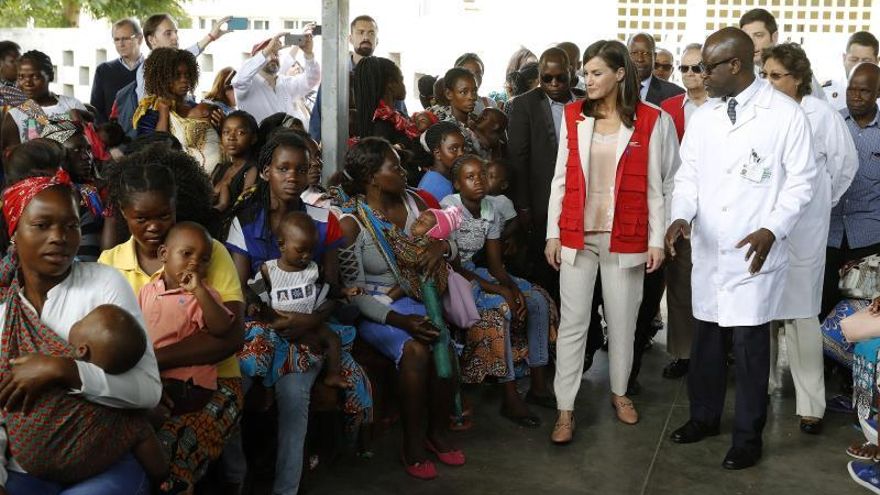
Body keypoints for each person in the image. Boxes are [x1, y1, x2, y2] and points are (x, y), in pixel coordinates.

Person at [666, 27, 816, 470]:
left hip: (755, 252)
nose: (701, 76)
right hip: (710, 249)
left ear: (736, 65)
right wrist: (681, 214)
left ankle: (748, 437)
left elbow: (803, 181)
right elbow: (688, 176)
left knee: (751, 347)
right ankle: (704, 418)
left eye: (709, 66)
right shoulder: (705, 116)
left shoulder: (785, 114)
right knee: (707, 341)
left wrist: (773, 228)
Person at [221, 131, 371, 494]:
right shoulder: (246, 220)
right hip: (262, 325)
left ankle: (286, 488)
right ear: (266, 171)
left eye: (300, 170)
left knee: (294, 395)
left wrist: (309, 321)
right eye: (283, 168)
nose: (292, 176)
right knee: (229, 390)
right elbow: (241, 291)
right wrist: (273, 320)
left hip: (311, 327)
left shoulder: (323, 219)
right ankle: (235, 475)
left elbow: (334, 290)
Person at [0, 170, 163, 494]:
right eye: (43, 225)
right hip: (25, 468)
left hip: (103, 460)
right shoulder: (6, 317)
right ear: (15, 234)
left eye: (71, 225)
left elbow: (147, 391)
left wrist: (65, 370)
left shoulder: (104, 284)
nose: (59, 236)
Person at [546, 39, 671, 444]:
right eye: (586, 72)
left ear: (620, 74)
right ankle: (565, 408)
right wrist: (553, 233)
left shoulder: (652, 120)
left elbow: (662, 185)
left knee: (623, 322)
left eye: (597, 72)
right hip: (577, 237)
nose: (588, 79)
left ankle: (619, 393)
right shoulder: (573, 115)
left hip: (628, 238)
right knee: (573, 325)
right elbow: (560, 179)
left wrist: (657, 240)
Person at [99, 151, 245, 493]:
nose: (154, 227)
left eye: (164, 215)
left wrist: (152, 361)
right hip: (138, 388)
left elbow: (229, 338)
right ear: (123, 214)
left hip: (213, 383)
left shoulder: (206, 252)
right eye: (141, 218)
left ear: (176, 207)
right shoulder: (109, 263)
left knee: (170, 460)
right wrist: (145, 384)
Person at [335, 137, 462, 480]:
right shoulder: (352, 224)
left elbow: (452, 242)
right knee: (415, 351)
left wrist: (442, 249)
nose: (404, 172)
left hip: (418, 299)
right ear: (372, 178)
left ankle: (437, 432)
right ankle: (413, 443)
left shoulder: (416, 203)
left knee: (442, 344)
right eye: (395, 167)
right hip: (379, 309)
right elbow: (355, 295)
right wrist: (401, 320)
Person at [761, 43, 858, 435]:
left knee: (801, 314)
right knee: (762, 310)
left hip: (806, 230)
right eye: (764, 75)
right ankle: (763, 387)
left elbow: (844, 164)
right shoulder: (763, 113)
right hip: (767, 226)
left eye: (776, 76)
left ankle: (810, 405)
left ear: (799, 77)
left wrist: (820, 202)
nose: (768, 83)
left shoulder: (819, 114)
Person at [443, 155, 556, 421]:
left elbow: (495, 265)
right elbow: (456, 267)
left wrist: (512, 288)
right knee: (500, 309)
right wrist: (502, 293)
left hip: (478, 272)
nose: (479, 181)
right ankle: (510, 395)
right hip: (453, 278)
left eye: (482, 174)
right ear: (457, 184)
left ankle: (538, 386)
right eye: (470, 177)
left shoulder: (490, 209)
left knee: (536, 299)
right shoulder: (450, 208)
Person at [625, 32, 684, 395]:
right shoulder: (598, 107)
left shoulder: (667, 103)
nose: (642, 58)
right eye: (635, 53)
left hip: (652, 218)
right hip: (613, 226)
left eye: (648, 53)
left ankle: (628, 372)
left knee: (646, 299)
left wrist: (662, 226)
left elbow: (671, 175)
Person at [139, 221, 235, 416]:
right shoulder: (147, 291)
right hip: (156, 374)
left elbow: (222, 329)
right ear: (163, 254)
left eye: (204, 259)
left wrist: (199, 291)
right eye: (187, 253)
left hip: (189, 383)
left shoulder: (205, 296)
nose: (195, 262)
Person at [509, 47, 576, 305]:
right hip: (541, 203)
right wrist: (523, 206)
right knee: (546, 267)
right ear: (539, 76)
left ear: (571, 73)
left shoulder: (585, 102)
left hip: (580, 199)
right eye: (547, 78)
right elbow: (518, 159)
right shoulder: (524, 105)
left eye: (561, 77)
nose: (555, 83)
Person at [658, 43, 709, 379]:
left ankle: (720, 351)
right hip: (679, 209)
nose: (690, 74)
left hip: (718, 210)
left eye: (697, 67)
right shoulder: (667, 109)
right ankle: (684, 353)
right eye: (684, 68)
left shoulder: (723, 107)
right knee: (679, 284)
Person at [823, 63, 880, 319]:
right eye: (851, 89)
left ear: (878, 92)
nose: (855, 96)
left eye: (864, 91)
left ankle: (853, 361)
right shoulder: (831, 122)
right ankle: (820, 360)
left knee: (863, 311)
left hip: (868, 238)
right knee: (821, 306)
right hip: (827, 236)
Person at [309, 15, 407, 142]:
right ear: (350, 38)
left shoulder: (386, 75)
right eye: (360, 32)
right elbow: (318, 118)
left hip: (381, 149)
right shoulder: (335, 77)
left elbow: (400, 114)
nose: (366, 37)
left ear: (377, 40)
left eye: (371, 33)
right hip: (342, 151)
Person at [134, 47, 222, 172]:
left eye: (187, 74)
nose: (184, 80)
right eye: (177, 76)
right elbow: (155, 151)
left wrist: (220, 126)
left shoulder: (196, 107)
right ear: (162, 78)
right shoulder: (150, 115)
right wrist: (164, 114)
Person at [39, 120, 106, 262]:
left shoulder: (95, 190)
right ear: (56, 154)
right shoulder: (46, 197)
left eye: (88, 149)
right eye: (77, 150)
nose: (86, 157)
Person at [1, 50, 87, 152]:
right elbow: (13, 159)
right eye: (21, 77)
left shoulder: (72, 105)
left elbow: (89, 143)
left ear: (50, 76)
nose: (27, 83)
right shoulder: (15, 115)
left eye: (35, 76)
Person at [232, 30, 320, 126]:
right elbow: (238, 80)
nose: (273, 57)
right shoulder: (247, 85)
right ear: (256, 59)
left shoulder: (285, 82)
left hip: (289, 139)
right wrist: (266, 51)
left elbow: (312, 79)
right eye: (269, 53)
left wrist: (309, 54)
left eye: (276, 53)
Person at [739, 8, 825, 100]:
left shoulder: (795, 67)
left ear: (774, 37)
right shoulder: (738, 74)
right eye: (746, 37)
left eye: (758, 35)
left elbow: (816, 108)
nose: (752, 43)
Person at [352, 56, 416, 147]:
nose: (404, 85)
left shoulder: (395, 118)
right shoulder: (382, 126)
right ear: (390, 83)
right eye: (401, 79)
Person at [91, 19, 144, 124]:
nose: (121, 44)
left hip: (146, 136)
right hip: (113, 136)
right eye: (117, 39)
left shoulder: (152, 70)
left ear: (140, 39)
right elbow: (96, 110)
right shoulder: (104, 70)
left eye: (125, 38)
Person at [212, 110, 259, 214]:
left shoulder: (252, 170)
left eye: (240, 133)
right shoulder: (220, 168)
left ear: (253, 138)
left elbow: (245, 208)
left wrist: (223, 205)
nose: (231, 137)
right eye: (226, 132)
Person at [823, 31, 879, 111]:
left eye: (866, 61)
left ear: (877, 61)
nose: (859, 65)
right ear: (844, 58)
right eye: (854, 60)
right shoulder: (825, 94)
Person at [627, 33, 685, 106]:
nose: (640, 59)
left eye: (645, 53)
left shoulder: (675, 94)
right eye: (634, 53)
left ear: (654, 57)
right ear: (626, 55)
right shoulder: (614, 89)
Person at [417, 121, 465, 202]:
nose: (461, 154)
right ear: (437, 153)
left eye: (463, 148)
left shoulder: (443, 177)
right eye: (454, 149)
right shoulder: (436, 189)